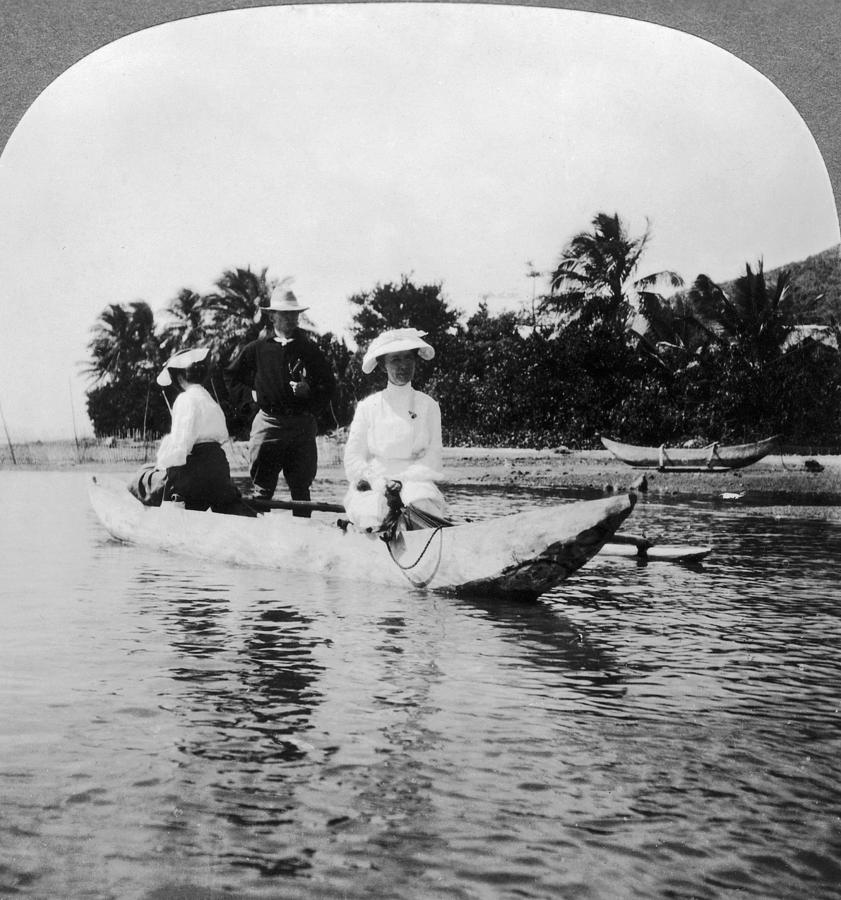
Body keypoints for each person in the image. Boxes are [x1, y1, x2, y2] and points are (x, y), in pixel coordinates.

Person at [226, 288, 335, 516]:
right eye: (285, 314)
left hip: (302, 426)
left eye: (294, 314)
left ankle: (303, 537)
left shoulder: (309, 349)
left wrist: (310, 392)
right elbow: (231, 377)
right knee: (262, 490)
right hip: (268, 424)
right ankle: (259, 537)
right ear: (272, 316)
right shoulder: (257, 349)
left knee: (301, 490)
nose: (291, 319)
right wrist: (251, 402)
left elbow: (329, 387)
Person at [128, 347, 255, 516]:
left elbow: (181, 448)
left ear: (179, 377)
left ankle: (153, 514)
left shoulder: (184, 399)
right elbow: (221, 437)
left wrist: (161, 466)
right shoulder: (210, 401)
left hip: (194, 476)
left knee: (140, 478)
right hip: (219, 471)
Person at [343, 328, 447, 531]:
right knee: (372, 513)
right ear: (383, 366)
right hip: (375, 482)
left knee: (422, 506)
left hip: (416, 481)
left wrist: (402, 481)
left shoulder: (428, 405)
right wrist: (380, 483)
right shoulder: (369, 406)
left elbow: (434, 455)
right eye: (395, 360)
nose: (403, 366)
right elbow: (353, 458)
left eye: (408, 358)